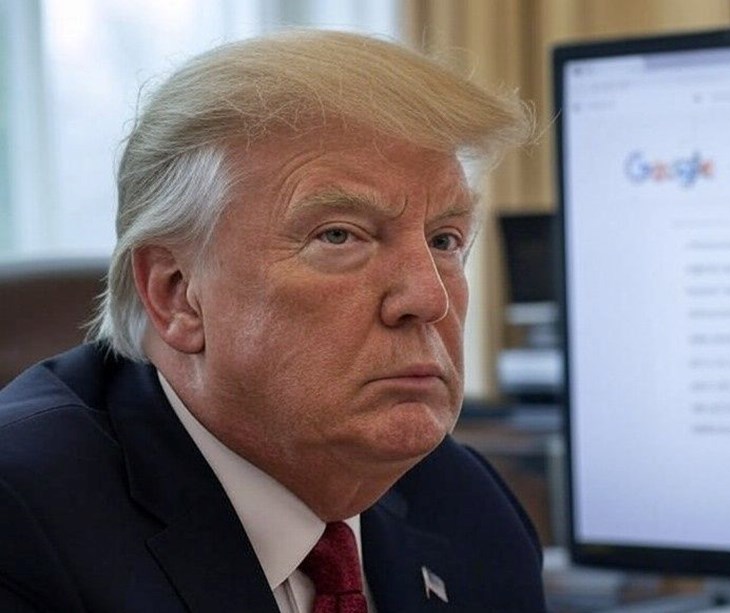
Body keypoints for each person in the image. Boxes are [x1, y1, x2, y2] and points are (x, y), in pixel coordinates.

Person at [0, 29, 546, 612]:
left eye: (444, 240)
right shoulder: (21, 520)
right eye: (339, 235)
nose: (428, 298)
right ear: (178, 295)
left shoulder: (467, 510)